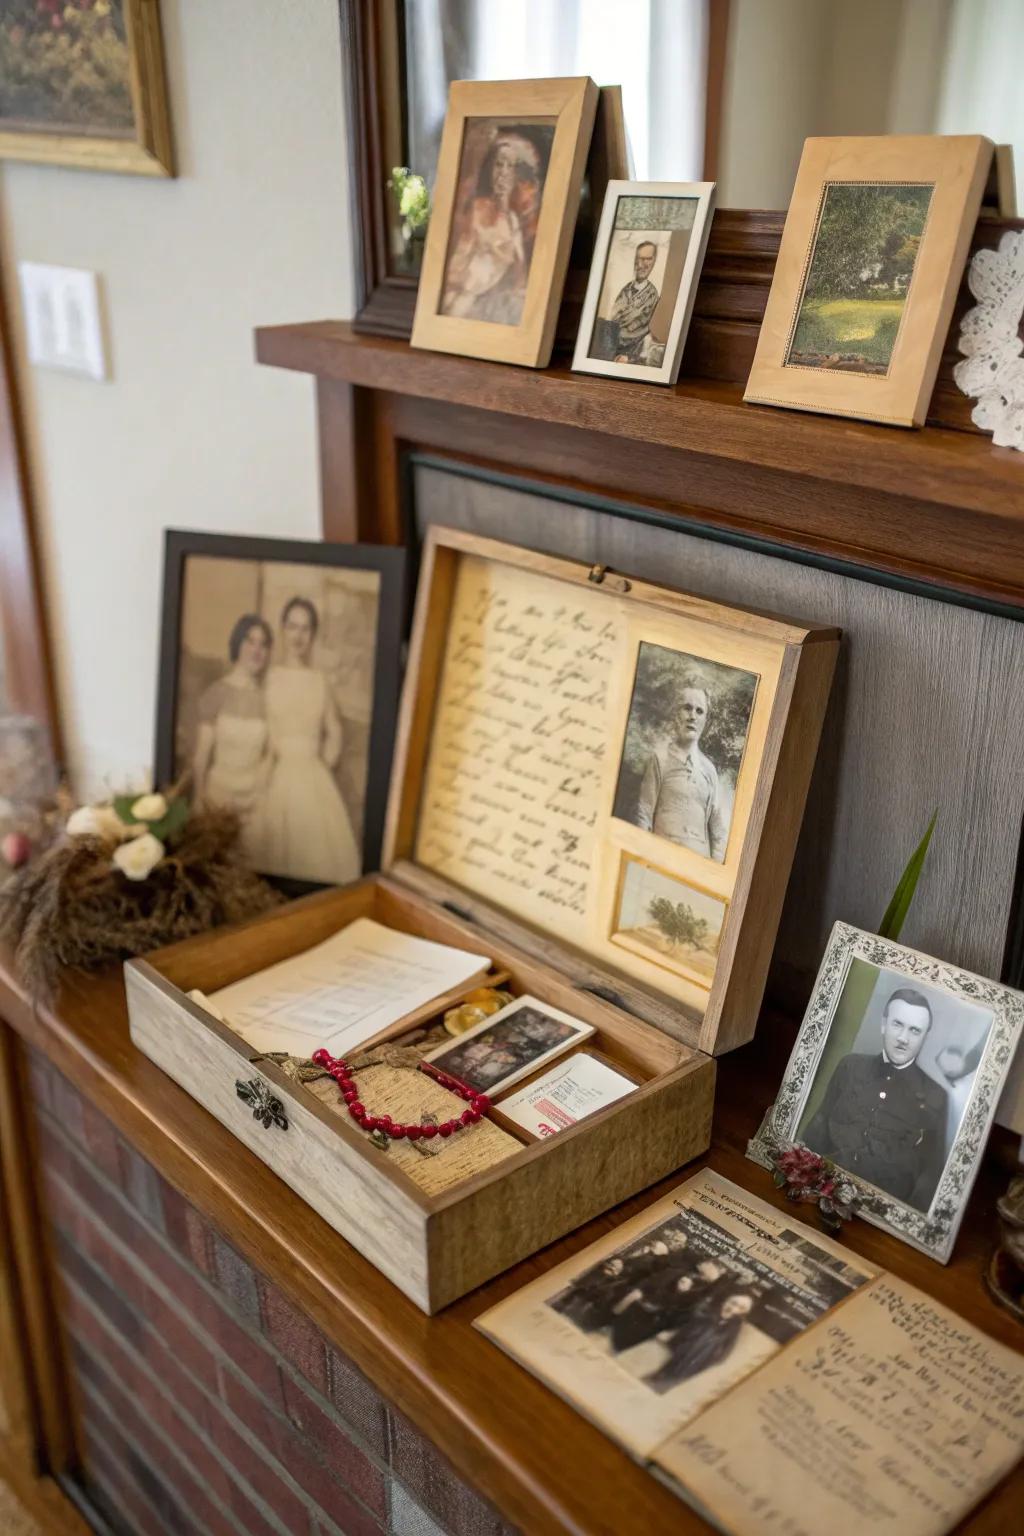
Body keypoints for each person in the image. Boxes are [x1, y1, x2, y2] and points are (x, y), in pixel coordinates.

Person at [801, 986, 948, 1212]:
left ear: (924, 1037)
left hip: (879, 1210)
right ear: (884, 1024)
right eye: (897, 1024)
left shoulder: (936, 1095)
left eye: (914, 1030)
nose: (903, 1038)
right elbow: (818, 1127)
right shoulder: (850, 1066)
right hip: (820, 1191)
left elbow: (929, 1176)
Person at [261, 596, 361, 885]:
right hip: (277, 772)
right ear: (282, 629)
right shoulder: (270, 677)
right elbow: (263, 729)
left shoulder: (319, 681)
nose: (298, 636)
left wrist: (322, 766)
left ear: (313, 635)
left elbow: (334, 730)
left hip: (312, 772)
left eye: (305, 629)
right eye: (292, 626)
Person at [191, 614, 273, 866]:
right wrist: (199, 797)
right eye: (250, 641)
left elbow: (270, 754)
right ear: (237, 643)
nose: (257, 650)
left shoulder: (269, 699)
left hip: (255, 800)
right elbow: (202, 755)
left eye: (263, 644)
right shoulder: (217, 693)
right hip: (219, 796)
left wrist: (261, 792)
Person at [441, 131, 544, 325]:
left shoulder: (513, 221)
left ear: (516, 174)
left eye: (510, 166)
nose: (503, 172)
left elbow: (520, 278)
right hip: (467, 304)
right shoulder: (476, 211)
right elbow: (456, 268)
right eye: (498, 164)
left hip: (500, 308)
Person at [635, 682, 726, 860]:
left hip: (698, 863)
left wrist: (714, 866)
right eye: (687, 708)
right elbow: (643, 813)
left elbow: (718, 829)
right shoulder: (660, 759)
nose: (693, 716)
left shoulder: (709, 770)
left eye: (699, 711)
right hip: (662, 858)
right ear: (675, 714)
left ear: (705, 721)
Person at [646, 1289, 755, 1392]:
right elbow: (683, 1327)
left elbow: (725, 1352)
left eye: (741, 1308)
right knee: (655, 1378)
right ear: (726, 1300)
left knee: (668, 1385)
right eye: (733, 1303)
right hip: (676, 1353)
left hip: (697, 1363)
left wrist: (709, 1358)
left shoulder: (734, 1327)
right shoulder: (706, 1310)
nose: (734, 1309)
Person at [608, 240, 661, 364]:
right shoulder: (626, 289)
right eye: (639, 259)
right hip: (611, 346)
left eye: (647, 259)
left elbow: (645, 332)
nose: (641, 265)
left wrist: (629, 356)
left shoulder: (652, 295)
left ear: (653, 262)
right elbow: (613, 318)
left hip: (631, 355)